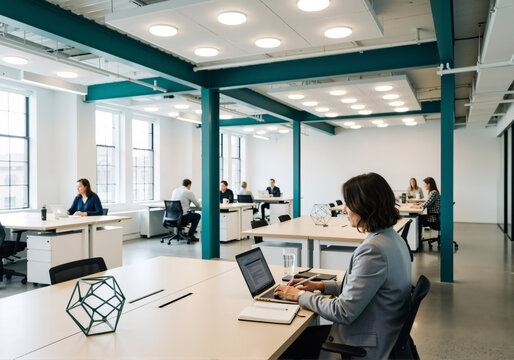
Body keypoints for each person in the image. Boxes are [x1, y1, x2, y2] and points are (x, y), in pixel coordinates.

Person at [275, 173, 412, 360]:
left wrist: (299, 295)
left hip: (363, 342)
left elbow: (342, 311)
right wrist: (321, 286)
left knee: (285, 349)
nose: (344, 210)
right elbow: (365, 288)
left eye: (349, 204)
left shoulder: (374, 250)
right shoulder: (392, 238)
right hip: (382, 331)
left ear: (366, 206)